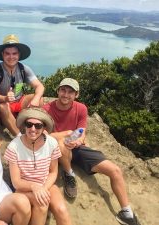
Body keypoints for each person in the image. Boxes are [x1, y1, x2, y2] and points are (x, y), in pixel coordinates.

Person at [43, 78, 141, 225]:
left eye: (70, 92)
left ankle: (126, 212)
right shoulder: (46, 109)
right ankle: (69, 174)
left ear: (76, 94)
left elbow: (82, 131)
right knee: (61, 144)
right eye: (63, 90)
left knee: (115, 170)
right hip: (55, 150)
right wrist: (67, 133)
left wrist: (79, 140)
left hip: (77, 148)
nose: (66, 94)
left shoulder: (81, 108)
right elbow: (42, 135)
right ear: (57, 91)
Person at [4, 107, 72, 225]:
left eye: (38, 126)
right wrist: (34, 187)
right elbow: (16, 182)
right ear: (24, 125)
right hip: (24, 188)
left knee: (62, 210)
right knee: (42, 204)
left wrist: (43, 188)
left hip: (46, 184)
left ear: (44, 127)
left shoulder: (52, 143)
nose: (33, 129)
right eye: (29, 124)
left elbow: (53, 172)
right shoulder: (14, 147)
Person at [0, 34, 44, 137]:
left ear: (19, 55)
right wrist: (5, 98)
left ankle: (31, 127)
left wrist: (36, 99)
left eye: (14, 53)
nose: (11, 57)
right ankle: (19, 137)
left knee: (39, 99)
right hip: (1, 105)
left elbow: (39, 86)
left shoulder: (23, 69)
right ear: (2, 54)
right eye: (7, 53)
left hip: (18, 102)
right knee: (3, 107)